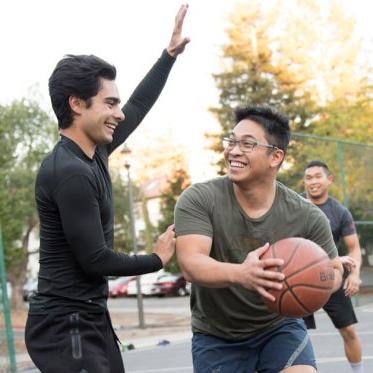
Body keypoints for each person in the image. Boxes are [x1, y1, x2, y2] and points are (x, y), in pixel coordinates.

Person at [25, 5, 190, 373]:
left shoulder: (94, 152)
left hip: (90, 317)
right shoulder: (69, 172)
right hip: (64, 324)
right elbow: (96, 260)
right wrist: (157, 260)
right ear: (77, 104)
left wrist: (168, 56)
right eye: (109, 103)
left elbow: (139, 105)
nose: (118, 112)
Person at [174, 104, 343, 373]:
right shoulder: (199, 199)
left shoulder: (308, 216)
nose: (234, 150)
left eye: (247, 144)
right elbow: (191, 263)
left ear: (275, 157)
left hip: (278, 326)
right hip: (217, 334)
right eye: (232, 141)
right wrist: (243, 273)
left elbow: (334, 270)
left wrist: (322, 276)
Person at [303, 160, 364, 373]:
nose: (313, 182)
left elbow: (354, 248)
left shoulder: (340, 212)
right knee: (291, 333)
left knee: (349, 331)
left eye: (317, 176)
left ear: (329, 180)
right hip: (297, 279)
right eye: (308, 178)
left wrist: (354, 274)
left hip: (331, 276)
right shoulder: (294, 205)